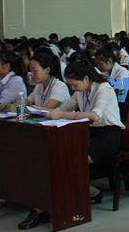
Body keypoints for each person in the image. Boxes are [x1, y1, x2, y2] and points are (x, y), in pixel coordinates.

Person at [49, 61, 125, 203]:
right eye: (70, 85)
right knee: (60, 154)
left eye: (74, 85)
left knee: (73, 160)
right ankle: (76, 193)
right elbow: (63, 108)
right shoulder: (80, 91)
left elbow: (94, 115)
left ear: (85, 78)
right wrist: (44, 111)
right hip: (89, 133)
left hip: (108, 136)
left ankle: (89, 193)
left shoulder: (104, 88)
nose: (73, 88)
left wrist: (63, 114)